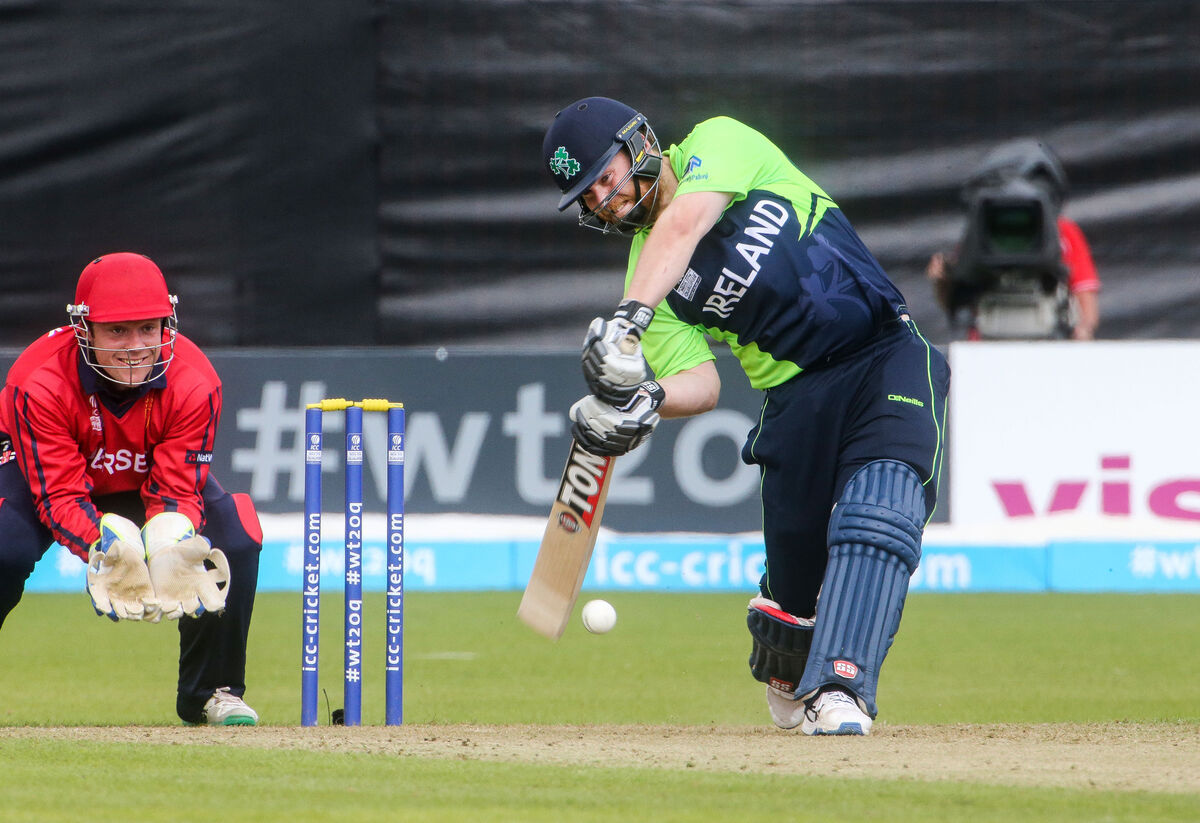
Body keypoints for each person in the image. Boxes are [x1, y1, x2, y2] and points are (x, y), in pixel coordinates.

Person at [543, 97, 949, 735]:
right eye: (587, 195)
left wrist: (627, 320)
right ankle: (794, 650)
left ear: (640, 142)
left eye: (604, 175)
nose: (603, 200)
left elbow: (685, 225)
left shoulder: (718, 143)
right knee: (792, 618)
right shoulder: (648, 278)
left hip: (883, 353)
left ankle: (842, 687)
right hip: (796, 401)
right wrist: (647, 400)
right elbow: (701, 385)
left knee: (880, 513)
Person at [0, 253, 263, 726]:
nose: (134, 347)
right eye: (117, 331)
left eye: (147, 328)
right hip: (44, 475)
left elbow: (178, 488)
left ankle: (211, 694)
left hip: (142, 481)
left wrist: (168, 544)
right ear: (86, 331)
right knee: (5, 544)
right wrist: (105, 547)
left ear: (168, 323)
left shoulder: (195, 381)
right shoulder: (37, 382)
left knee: (234, 536)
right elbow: (59, 495)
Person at [926, 139, 1100, 340]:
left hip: (1049, 342)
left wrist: (1082, 335)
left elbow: (1085, 301)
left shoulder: (1065, 232)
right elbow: (956, 301)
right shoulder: (982, 229)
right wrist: (941, 280)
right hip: (987, 344)